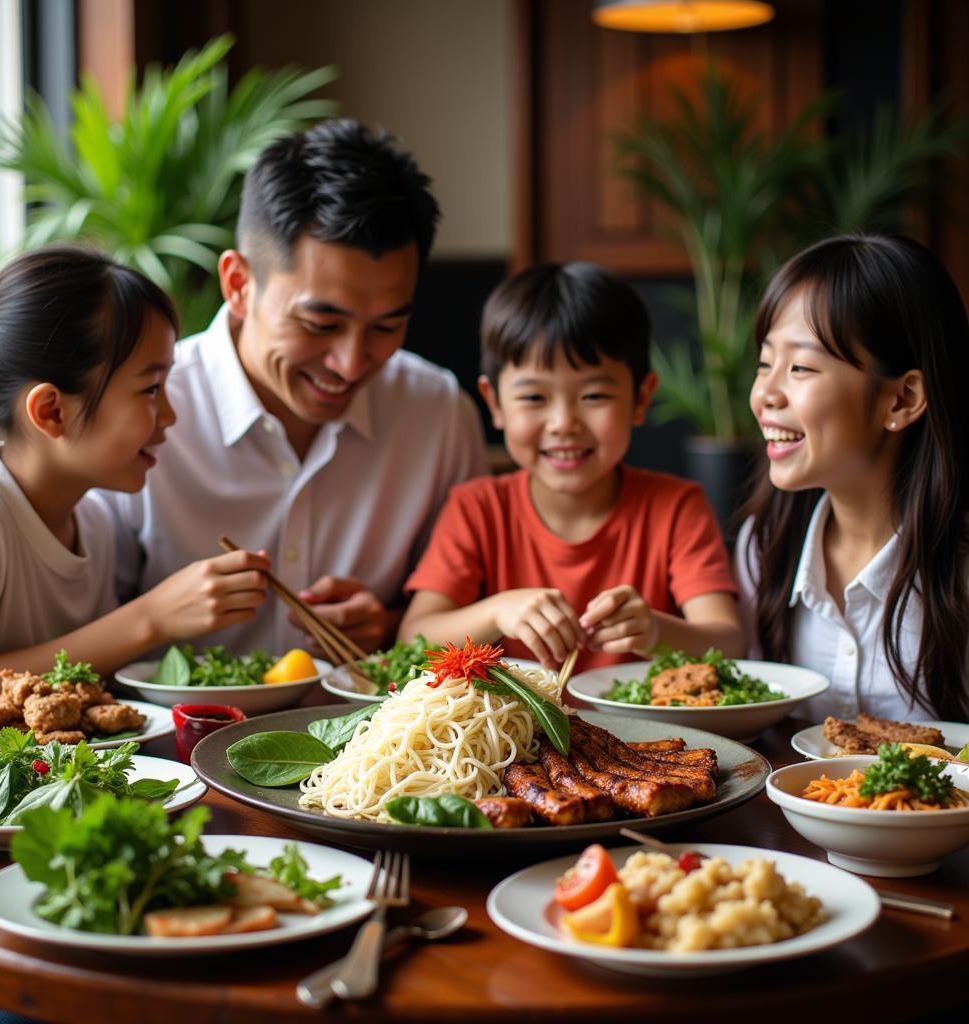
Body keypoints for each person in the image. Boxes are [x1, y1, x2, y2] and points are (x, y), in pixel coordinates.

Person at [102, 119, 487, 657]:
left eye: (385, 327)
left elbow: (470, 604)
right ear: (238, 284)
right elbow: (72, 635)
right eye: (320, 324)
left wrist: (393, 627)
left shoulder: (438, 412)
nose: (352, 363)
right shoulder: (141, 410)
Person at [0, 246, 270, 704]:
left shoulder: (93, 523)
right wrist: (150, 618)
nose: (171, 415)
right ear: (52, 411)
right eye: (151, 389)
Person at [400, 261, 742, 670]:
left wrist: (657, 632)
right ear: (495, 403)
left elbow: (731, 643)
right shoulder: (477, 509)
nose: (564, 424)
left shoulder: (676, 508)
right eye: (534, 398)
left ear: (641, 398)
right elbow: (412, 639)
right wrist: (496, 612)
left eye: (594, 396)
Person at [736, 233, 969, 723]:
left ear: (902, 400)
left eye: (800, 367)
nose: (765, 395)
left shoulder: (958, 566)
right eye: (764, 363)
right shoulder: (764, 547)